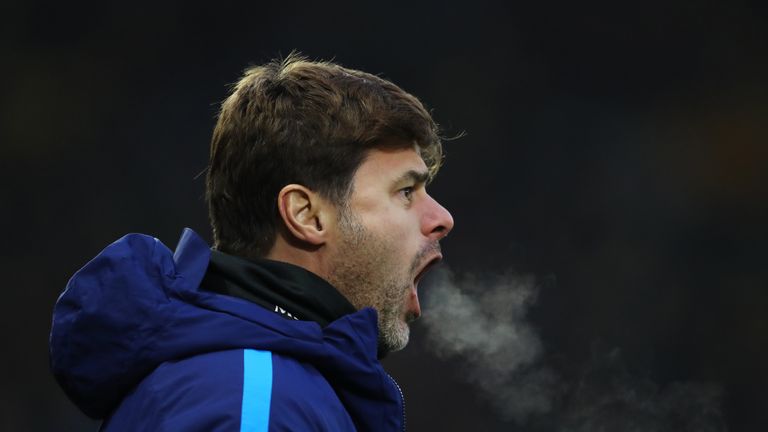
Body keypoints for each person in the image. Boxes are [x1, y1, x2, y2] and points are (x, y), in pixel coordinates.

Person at [50, 54, 454, 431]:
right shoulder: (254, 403)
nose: (441, 219)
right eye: (405, 191)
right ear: (306, 215)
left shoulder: (252, 383)